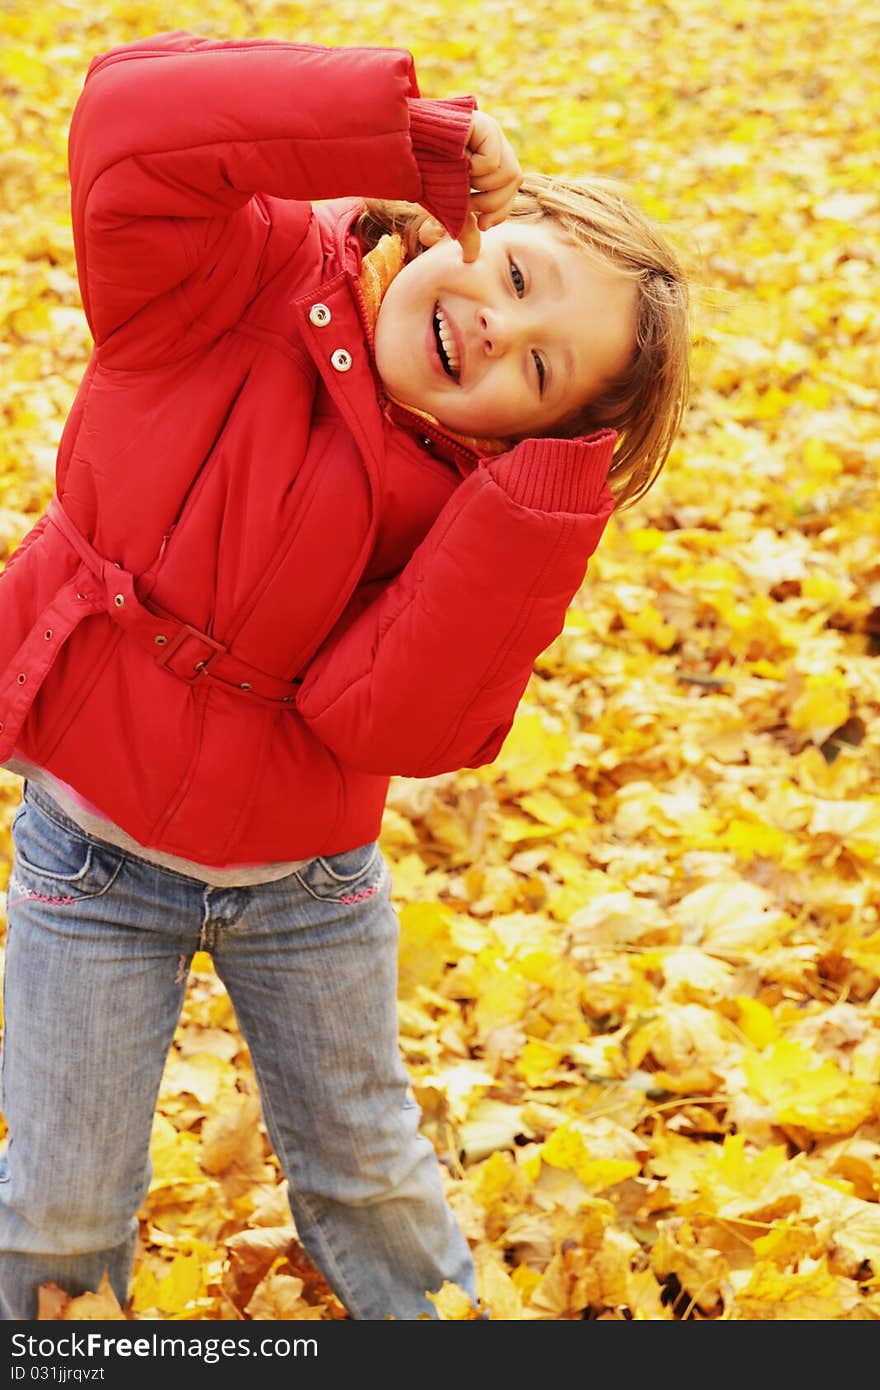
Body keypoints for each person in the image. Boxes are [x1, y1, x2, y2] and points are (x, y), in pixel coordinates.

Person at [0, 30, 690, 1320]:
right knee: (63, 1196)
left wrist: (535, 512)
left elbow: (386, 715)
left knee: (369, 1173)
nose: (498, 329)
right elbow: (132, 133)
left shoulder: (483, 507)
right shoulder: (232, 276)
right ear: (466, 220)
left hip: (307, 885)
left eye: (540, 372)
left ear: (537, 437)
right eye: (521, 276)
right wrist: (399, 134)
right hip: (88, 854)